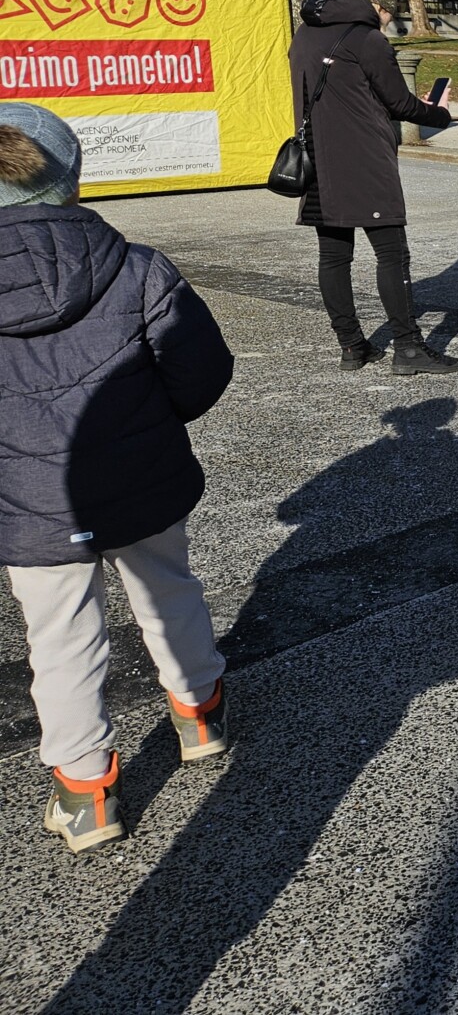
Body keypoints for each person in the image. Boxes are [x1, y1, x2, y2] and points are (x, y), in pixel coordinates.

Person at [0, 104, 235, 852]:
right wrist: (153, 424)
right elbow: (201, 372)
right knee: (168, 590)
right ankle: (199, 713)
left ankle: (86, 793)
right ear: (73, 179)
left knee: (61, 639)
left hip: (30, 502)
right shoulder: (138, 267)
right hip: (143, 474)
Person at [288, 0, 458, 374]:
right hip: (364, 160)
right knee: (391, 253)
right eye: (388, 16)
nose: (386, 25)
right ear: (378, 7)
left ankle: (352, 346)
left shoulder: (304, 34)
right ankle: (409, 348)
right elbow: (399, 103)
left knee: (333, 256)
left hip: (317, 159)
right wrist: (439, 113)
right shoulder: (367, 39)